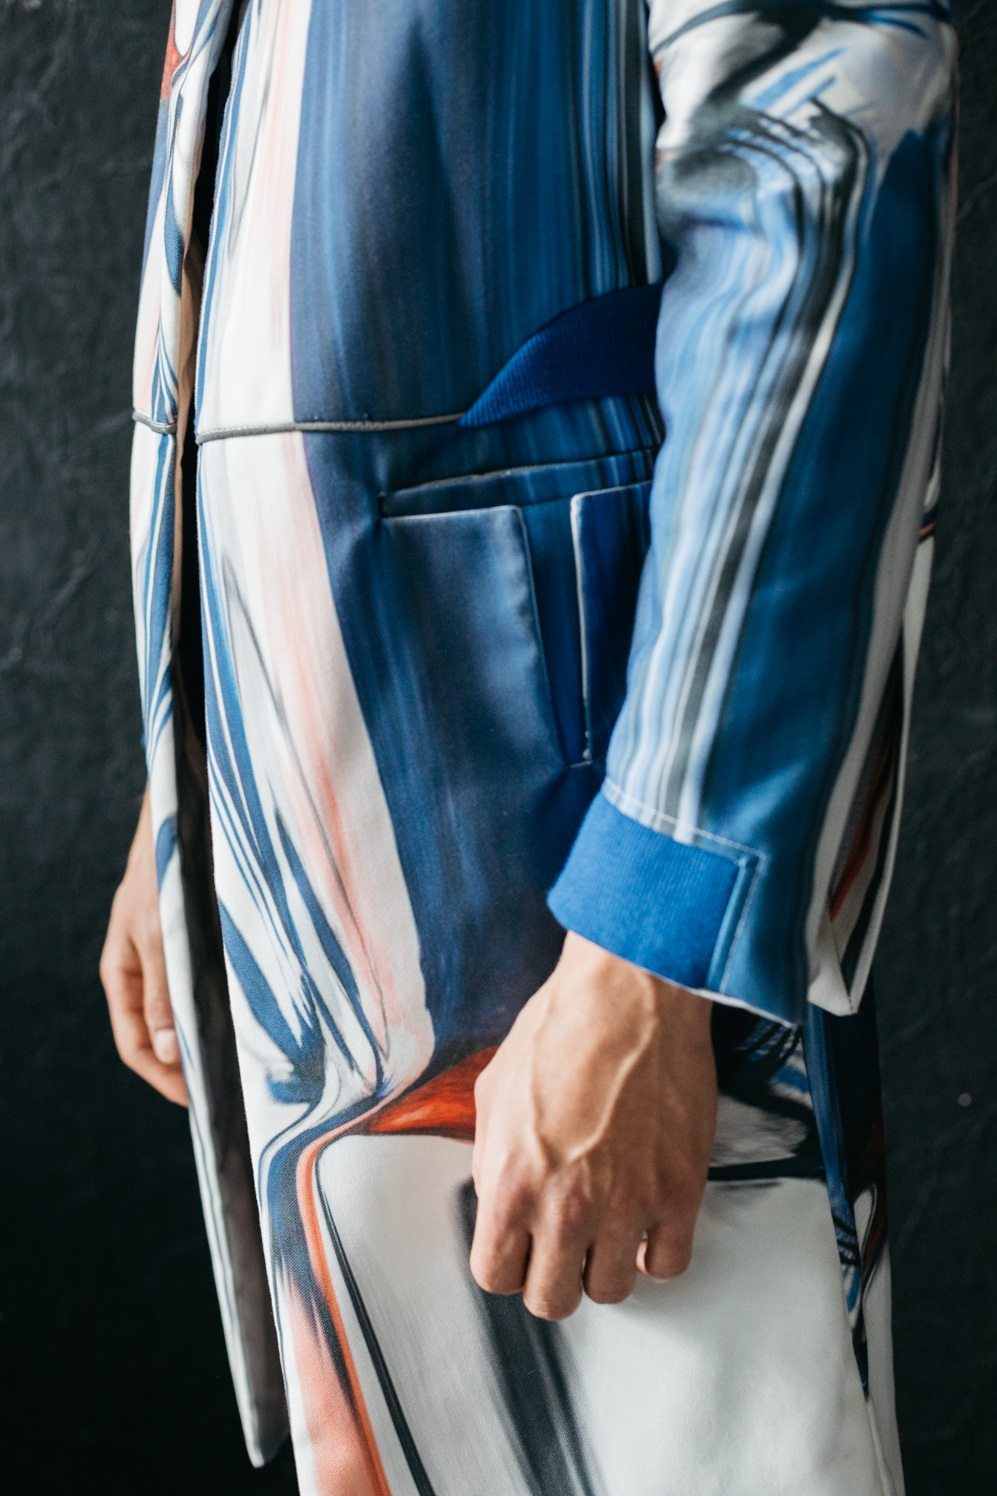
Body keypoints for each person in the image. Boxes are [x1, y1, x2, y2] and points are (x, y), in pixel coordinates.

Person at [101, 1, 956, 1491]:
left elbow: (820, 174)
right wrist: (199, 776)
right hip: (323, 835)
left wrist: (652, 936)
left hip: (588, 862)